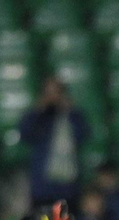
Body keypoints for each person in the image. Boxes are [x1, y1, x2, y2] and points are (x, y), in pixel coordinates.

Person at [19, 77, 90, 209]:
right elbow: (25, 134)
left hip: (68, 187)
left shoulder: (73, 116)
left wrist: (70, 111)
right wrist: (37, 111)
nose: (53, 97)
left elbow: (82, 135)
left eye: (56, 92)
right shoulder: (38, 117)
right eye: (48, 93)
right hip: (43, 187)